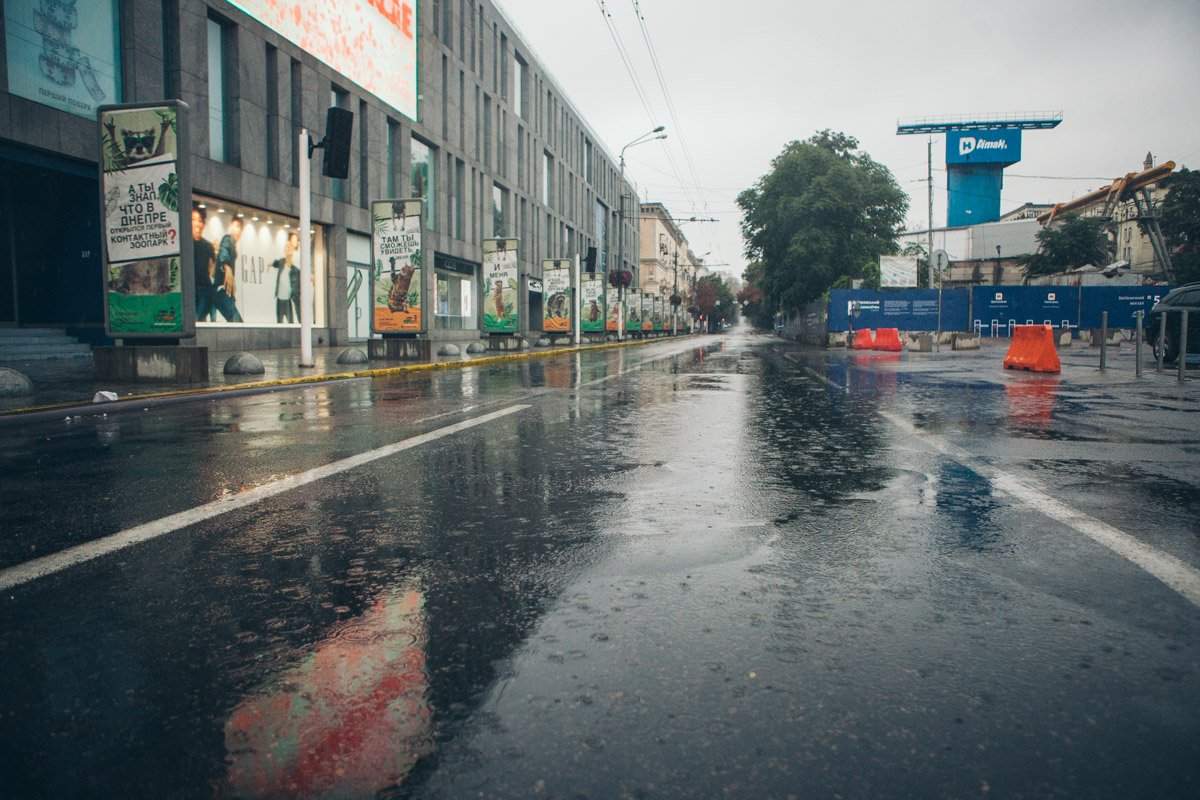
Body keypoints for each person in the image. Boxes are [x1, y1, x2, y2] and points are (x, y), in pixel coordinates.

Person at [214, 217, 244, 322]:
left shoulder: (233, 246)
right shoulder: (228, 239)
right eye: (236, 227)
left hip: (225, 292)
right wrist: (227, 267)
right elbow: (224, 251)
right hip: (222, 291)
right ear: (231, 227)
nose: (238, 231)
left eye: (240, 228)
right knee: (238, 323)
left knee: (235, 323)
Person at [192, 206, 217, 321]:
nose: (197, 224)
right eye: (193, 219)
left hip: (205, 289)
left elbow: (215, 268)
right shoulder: (184, 245)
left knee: (198, 321)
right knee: (195, 321)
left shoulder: (207, 246)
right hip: (190, 290)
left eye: (200, 220)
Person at [272, 230, 300, 323]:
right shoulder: (282, 262)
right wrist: (270, 264)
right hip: (280, 299)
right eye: (287, 246)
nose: (287, 248)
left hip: (288, 299)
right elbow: (275, 263)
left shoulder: (295, 268)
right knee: (279, 322)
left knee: (291, 322)